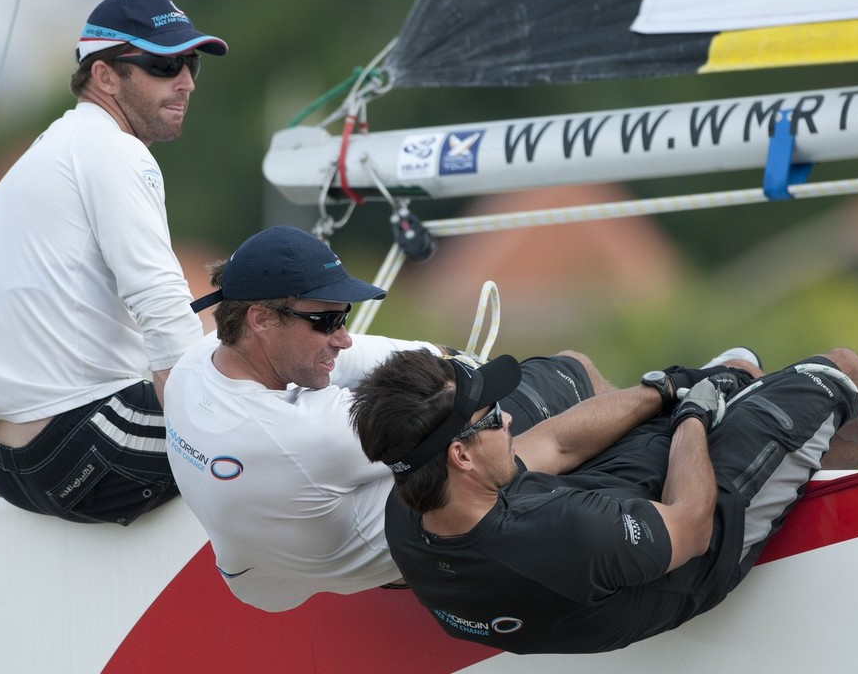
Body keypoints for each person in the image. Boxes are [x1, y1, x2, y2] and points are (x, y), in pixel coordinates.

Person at [162, 225, 753, 612]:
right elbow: (439, 396)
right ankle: (685, 397)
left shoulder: (196, 362)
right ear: (262, 319)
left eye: (345, 315)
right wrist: (667, 391)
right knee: (552, 385)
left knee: (456, 426)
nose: (342, 336)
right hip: (419, 548)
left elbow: (394, 359)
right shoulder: (306, 436)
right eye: (325, 321)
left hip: (262, 581)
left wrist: (447, 363)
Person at [348, 343, 858, 654]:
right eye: (494, 417)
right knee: (836, 371)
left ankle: (729, 384)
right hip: (692, 557)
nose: (507, 421)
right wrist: (695, 417)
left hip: (584, 546)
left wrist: (667, 389)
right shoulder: (561, 533)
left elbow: (553, 444)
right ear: (461, 454)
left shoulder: (412, 506)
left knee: (717, 374)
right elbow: (692, 524)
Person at [0, 0, 227, 525]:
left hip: (7, 465)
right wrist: (221, 423)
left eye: (189, 63)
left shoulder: (58, 145)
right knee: (296, 423)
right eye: (165, 63)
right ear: (104, 76)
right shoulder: (110, 148)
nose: (186, 80)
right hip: (75, 444)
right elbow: (163, 305)